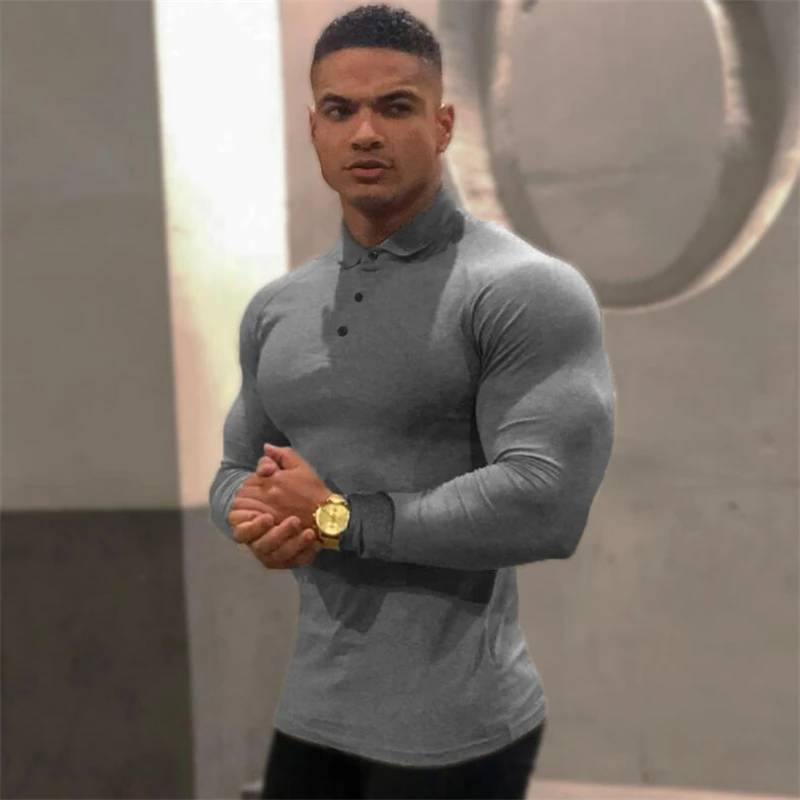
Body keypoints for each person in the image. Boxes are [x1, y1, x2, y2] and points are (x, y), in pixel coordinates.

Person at [208, 4, 616, 798]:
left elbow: (546, 501)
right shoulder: (277, 309)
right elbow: (234, 471)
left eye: (395, 107)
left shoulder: (522, 289)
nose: (365, 133)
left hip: (458, 731)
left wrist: (335, 520)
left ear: (443, 124)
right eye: (340, 110)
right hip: (313, 719)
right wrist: (257, 521)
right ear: (315, 129)